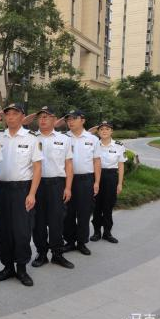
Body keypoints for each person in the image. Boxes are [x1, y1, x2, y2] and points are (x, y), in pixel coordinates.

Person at [0, 103, 43, 287]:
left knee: (22, 231)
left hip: (22, 190)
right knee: (2, 231)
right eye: (8, 114)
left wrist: (32, 193)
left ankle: (21, 268)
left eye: (15, 113)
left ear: (23, 116)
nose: (11, 117)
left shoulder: (31, 138)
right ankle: (8, 267)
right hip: (1, 190)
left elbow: (37, 168)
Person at [31, 106, 75, 269]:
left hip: (57, 185)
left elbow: (68, 164)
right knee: (38, 222)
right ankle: (41, 253)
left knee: (57, 221)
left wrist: (68, 187)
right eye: (40, 117)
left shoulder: (64, 139)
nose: (43, 120)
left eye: (47, 116)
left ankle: (57, 254)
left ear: (54, 119)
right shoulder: (31, 138)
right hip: (36, 185)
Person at [62, 109, 101, 256]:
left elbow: (97, 161)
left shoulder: (93, 139)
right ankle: (70, 241)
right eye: (68, 119)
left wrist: (97, 182)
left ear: (82, 120)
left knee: (84, 212)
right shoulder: (64, 138)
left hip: (85, 180)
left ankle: (82, 242)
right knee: (68, 213)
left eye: (74, 118)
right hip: (67, 181)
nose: (70, 121)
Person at [90, 120, 126, 243]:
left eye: (107, 129)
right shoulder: (93, 144)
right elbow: (85, 135)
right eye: (101, 129)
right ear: (98, 132)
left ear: (112, 131)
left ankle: (107, 233)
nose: (104, 131)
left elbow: (121, 165)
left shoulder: (119, 146)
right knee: (96, 206)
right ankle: (96, 232)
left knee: (108, 206)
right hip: (96, 177)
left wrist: (119, 183)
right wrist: (92, 129)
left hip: (111, 177)